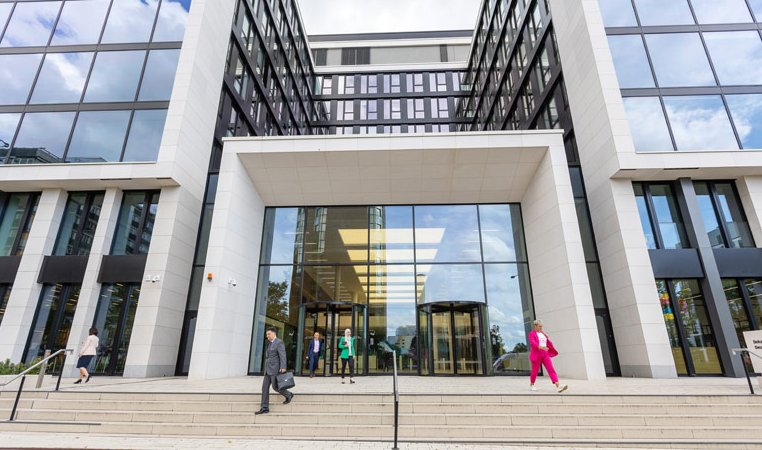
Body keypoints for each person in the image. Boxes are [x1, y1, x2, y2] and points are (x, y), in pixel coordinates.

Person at [255, 327, 293, 415]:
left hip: (275, 369)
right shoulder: (269, 343)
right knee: (264, 388)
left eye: (268, 334)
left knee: (276, 387)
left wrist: (283, 367)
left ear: (274, 333)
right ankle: (264, 407)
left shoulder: (279, 342)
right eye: (266, 334)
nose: (267, 336)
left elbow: (283, 355)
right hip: (267, 370)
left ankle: (289, 395)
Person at [528, 319, 568, 393]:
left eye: (541, 326)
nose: (541, 328)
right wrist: (540, 347)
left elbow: (546, 341)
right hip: (537, 354)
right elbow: (533, 343)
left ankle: (558, 386)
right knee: (535, 371)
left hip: (545, 354)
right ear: (535, 326)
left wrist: (547, 345)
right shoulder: (532, 334)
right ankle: (532, 384)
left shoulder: (542, 333)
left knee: (551, 369)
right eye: (539, 326)